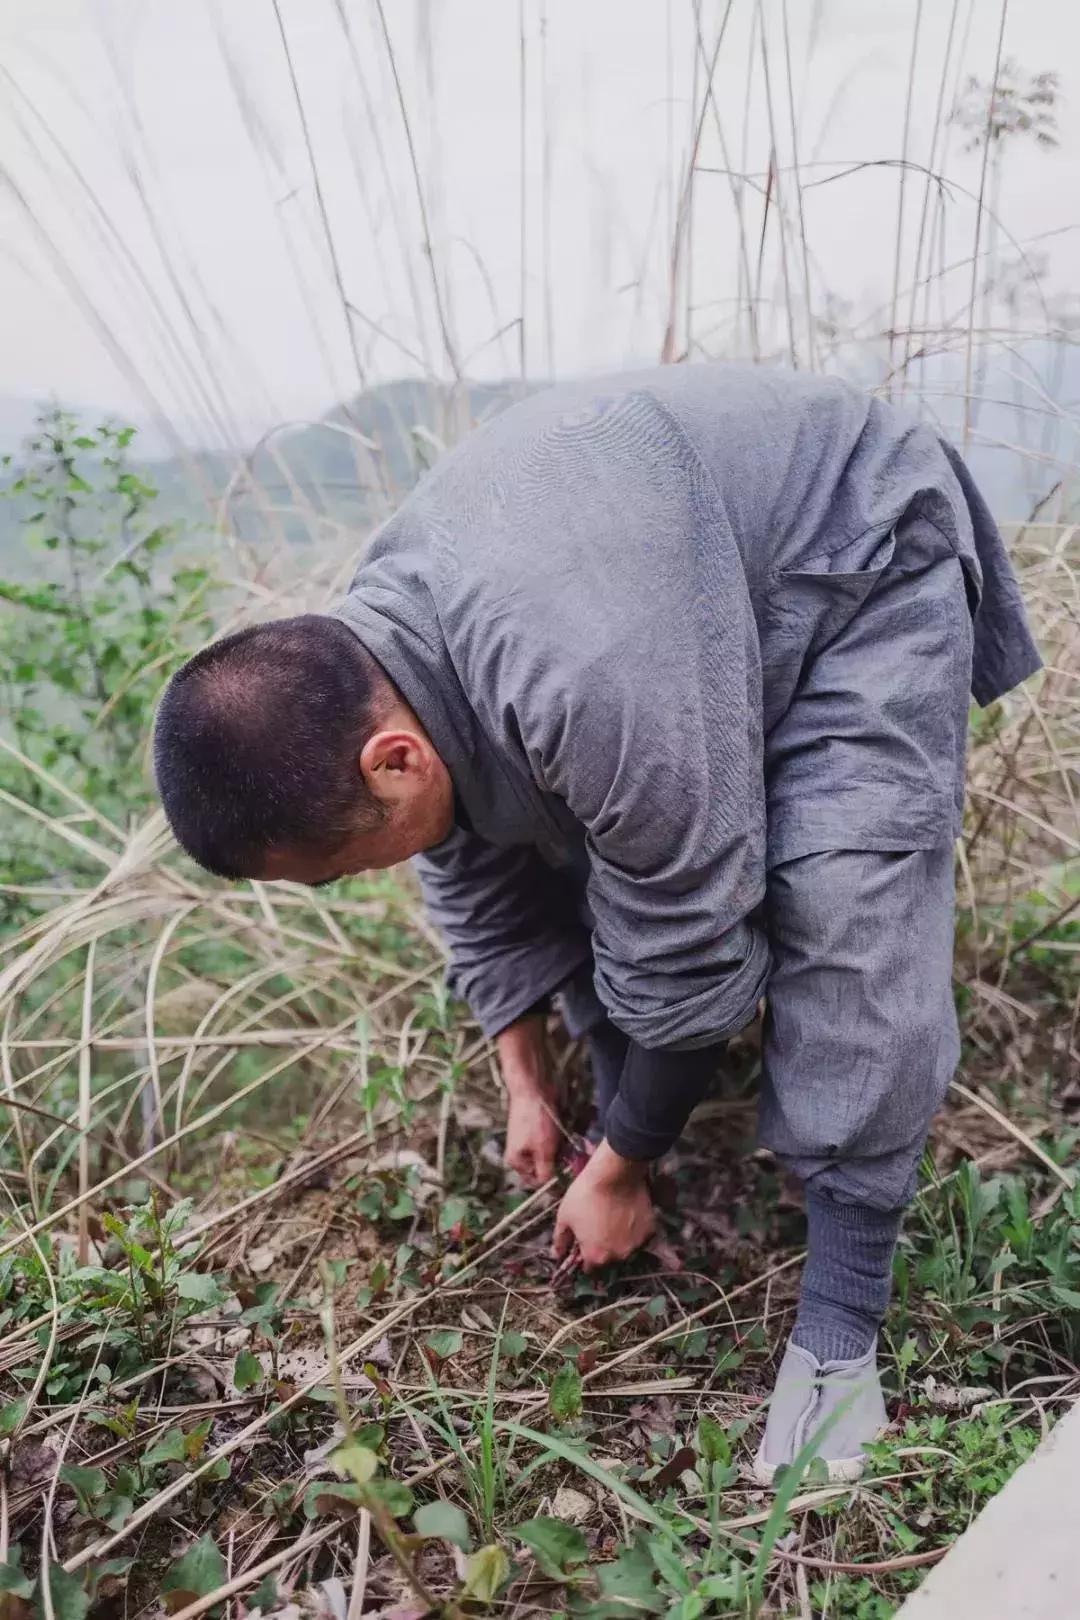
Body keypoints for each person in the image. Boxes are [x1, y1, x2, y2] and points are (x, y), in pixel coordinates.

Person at [153, 365, 1040, 1483]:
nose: (350, 882)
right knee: (591, 852)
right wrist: (528, 1078)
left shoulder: (582, 677)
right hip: (680, 601)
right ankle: (657, 1110)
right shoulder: (374, 656)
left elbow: (683, 934)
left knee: (843, 899)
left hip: (852, 551)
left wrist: (620, 1163)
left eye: (334, 871)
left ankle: (841, 1334)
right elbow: (461, 854)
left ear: (391, 759)